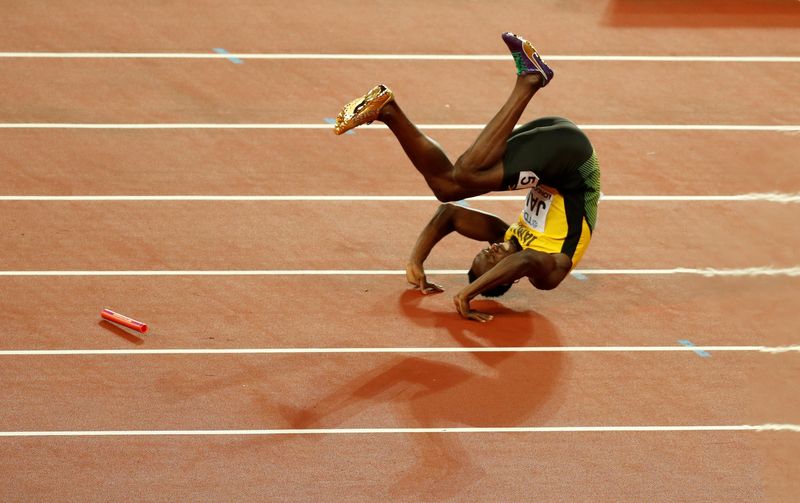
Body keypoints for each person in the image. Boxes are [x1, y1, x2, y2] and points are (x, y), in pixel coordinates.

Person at [333, 32, 601, 322]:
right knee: (466, 174)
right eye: (492, 259)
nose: (492, 249)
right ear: (507, 278)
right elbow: (524, 261)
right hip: (572, 162)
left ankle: (388, 110)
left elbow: (448, 215)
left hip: (553, 150)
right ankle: (530, 80)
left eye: (483, 253)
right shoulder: (549, 272)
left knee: (446, 187)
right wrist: (468, 293)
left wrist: (416, 259)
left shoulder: (509, 236)